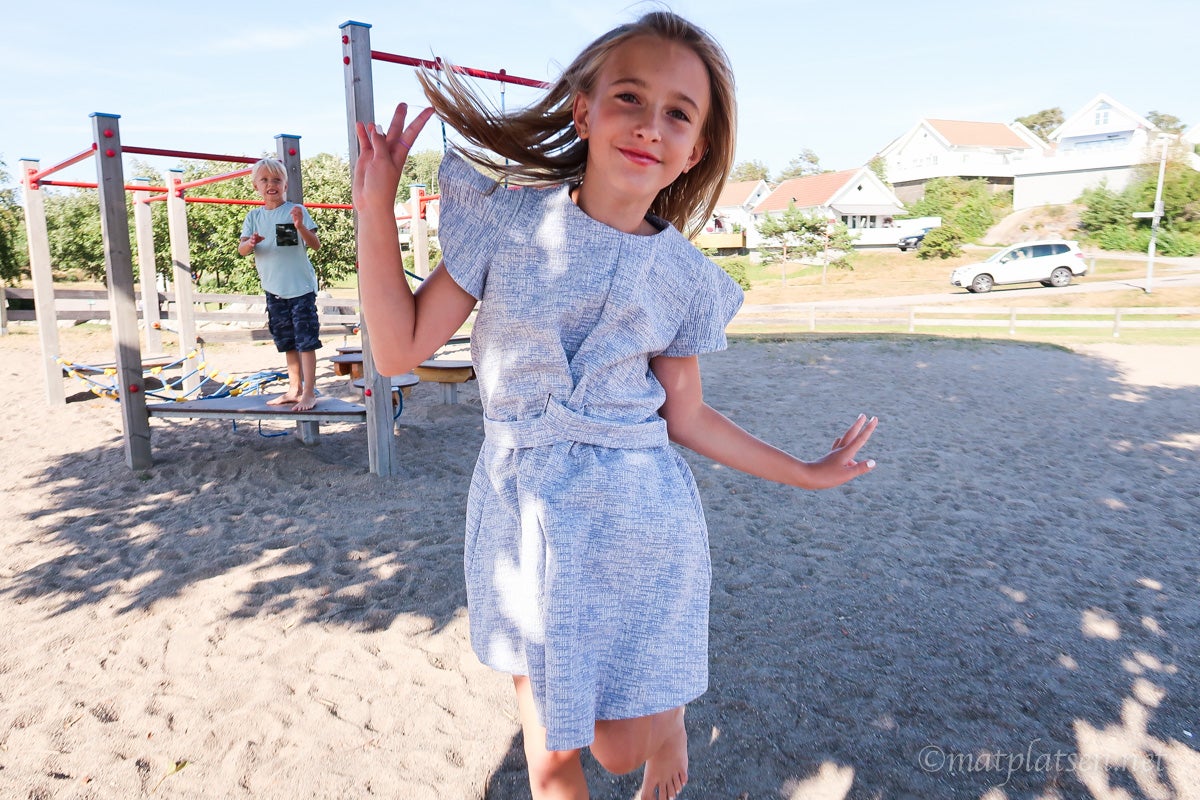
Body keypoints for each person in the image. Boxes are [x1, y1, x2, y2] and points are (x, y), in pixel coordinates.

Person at [352, 12, 877, 799]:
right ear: (584, 111)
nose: (649, 125)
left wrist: (804, 471)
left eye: (678, 113)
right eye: (629, 97)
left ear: (694, 150)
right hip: (522, 511)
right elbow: (399, 351)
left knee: (620, 751)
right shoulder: (506, 221)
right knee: (551, 758)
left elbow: (687, 416)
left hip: (636, 514)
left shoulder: (683, 278)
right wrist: (373, 209)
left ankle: (668, 724)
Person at [238, 158, 323, 411]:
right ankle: (294, 389)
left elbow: (315, 244)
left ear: (285, 185)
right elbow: (242, 250)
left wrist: (300, 227)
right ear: (256, 186)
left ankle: (309, 392)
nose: (270, 184)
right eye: (264, 180)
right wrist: (250, 243)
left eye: (276, 180)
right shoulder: (254, 217)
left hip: (300, 289)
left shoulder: (295, 210)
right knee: (287, 342)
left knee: (306, 341)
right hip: (274, 292)